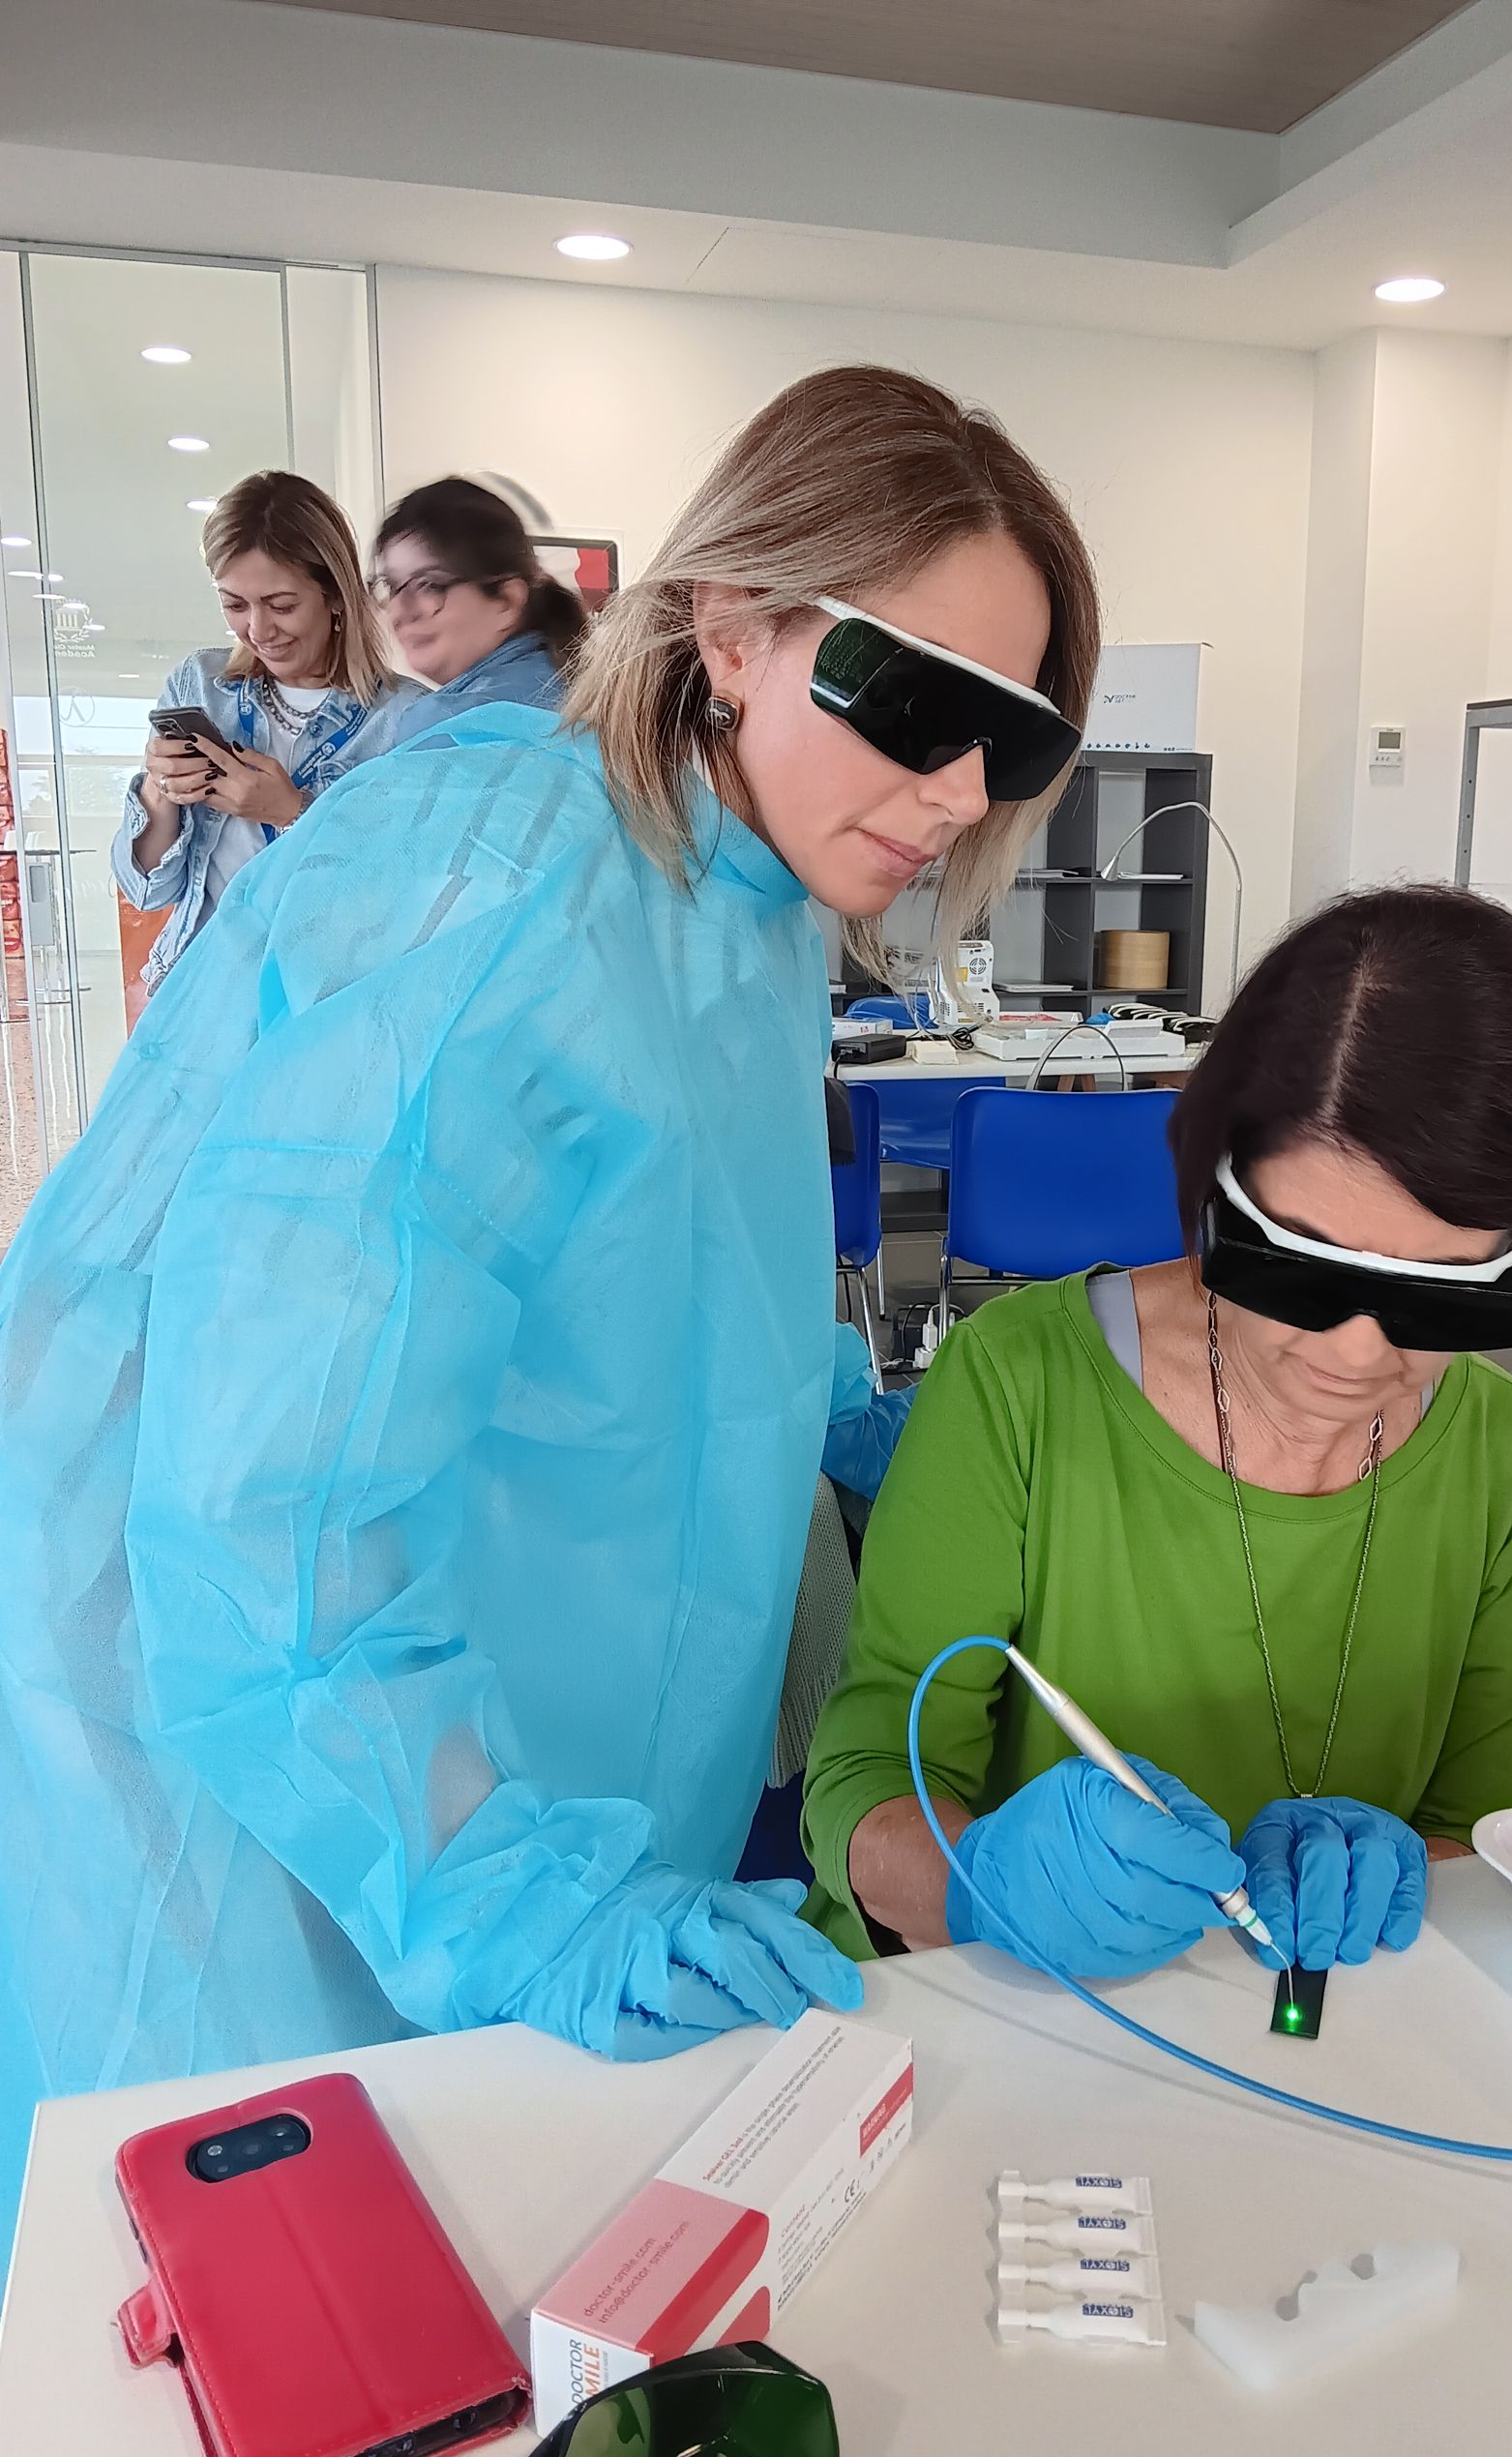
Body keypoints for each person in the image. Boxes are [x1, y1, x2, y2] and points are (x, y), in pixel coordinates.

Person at [0, 363, 1100, 2244]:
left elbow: (678, 1254)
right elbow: (267, 1513)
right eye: (916, 699)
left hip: (509, 1746)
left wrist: (851, 1413)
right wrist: (513, 1894)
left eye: (1011, 737)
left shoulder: (745, 902)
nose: (957, 788)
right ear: (732, 625)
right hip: (276, 1793)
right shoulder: (497, 887)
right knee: (286, 2279)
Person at [802, 885, 1512, 1982]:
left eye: (1444, 1292)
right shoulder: (1019, 1388)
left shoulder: (1505, 1456)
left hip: (1319, 2023)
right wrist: (981, 1884)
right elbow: (862, 1786)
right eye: (1302, 1268)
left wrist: (1417, 1868)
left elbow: (1483, 1832)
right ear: (1213, 1196)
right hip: (1021, 2006)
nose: (1360, 1349)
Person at [112, 472, 421, 987]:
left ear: (335, 594)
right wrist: (160, 793)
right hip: (197, 989)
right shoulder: (199, 684)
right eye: (235, 604)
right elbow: (147, 891)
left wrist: (294, 813)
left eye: (282, 605)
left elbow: (409, 899)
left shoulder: (408, 719)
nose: (258, 630)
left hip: (323, 1000)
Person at [371, 476, 587, 736]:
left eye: (429, 585)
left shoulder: (453, 729)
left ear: (506, 602)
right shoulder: (571, 685)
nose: (399, 613)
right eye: (391, 586)